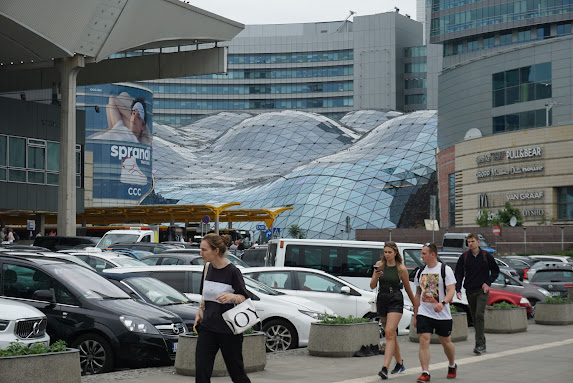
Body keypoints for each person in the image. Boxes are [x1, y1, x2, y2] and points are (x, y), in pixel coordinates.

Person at [193, 234, 251, 383]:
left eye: (204, 250)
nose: (201, 253)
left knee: (237, 373)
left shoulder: (232, 271)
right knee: (201, 372)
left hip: (229, 330)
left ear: (216, 251)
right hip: (208, 328)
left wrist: (232, 297)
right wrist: (199, 313)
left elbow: (245, 298)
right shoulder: (207, 268)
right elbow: (205, 296)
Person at [370, 241, 416, 379]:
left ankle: (385, 367)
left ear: (396, 252)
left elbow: (408, 289)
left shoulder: (401, 268)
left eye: (390, 252)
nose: (387, 255)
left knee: (390, 331)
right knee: (390, 334)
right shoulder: (379, 265)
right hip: (382, 298)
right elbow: (372, 285)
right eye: (385, 252)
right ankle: (400, 363)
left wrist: (416, 306)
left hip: (395, 298)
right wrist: (376, 276)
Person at [414, 243, 457, 382]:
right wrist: (416, 314)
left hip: (442, 313)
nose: (421, 256)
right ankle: (425, 372)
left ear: (432, 254)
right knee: (423, 340)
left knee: (446, 342)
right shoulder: (420, 271)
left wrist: (443, 303)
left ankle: (452, 365)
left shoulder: (445, 269)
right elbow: (417, 293)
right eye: (421, 253)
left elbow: (451, 290)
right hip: (424, 312)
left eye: (424, 253)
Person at [454, 233, 499, 355]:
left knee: (479, 315)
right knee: (474, 317)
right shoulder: (464, 257)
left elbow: (495, 271)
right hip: (470, 290)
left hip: (482, 291)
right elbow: (458, 274)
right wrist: (457, 289)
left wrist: (487, 283)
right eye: (468, 242)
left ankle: (479, 344)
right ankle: (481, 342)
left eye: (472, 241)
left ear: (478, 242)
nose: (470, 244)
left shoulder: (486, 255)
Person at [88, 92, 152, 145]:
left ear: (143, 126)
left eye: (138, 117)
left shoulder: (139, 147)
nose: (134, 117)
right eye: (133, 113)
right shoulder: (120, 127)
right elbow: (112, 98)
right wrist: (133, 119)